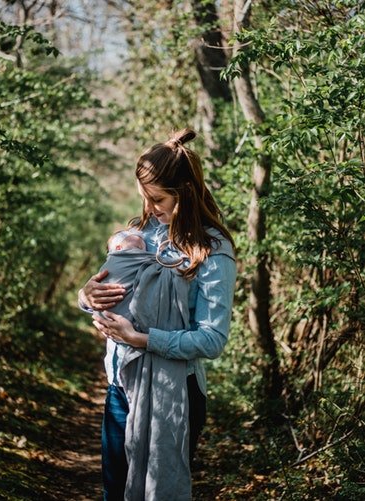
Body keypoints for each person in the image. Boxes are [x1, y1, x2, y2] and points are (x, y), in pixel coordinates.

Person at [78, 128, 237, 501]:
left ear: (185, 193)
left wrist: (141, 339)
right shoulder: (137, 234)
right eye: (144, 198)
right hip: (121, 385)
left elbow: (212, 338)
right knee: (114, 492)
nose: (149, 208)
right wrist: (85, 296)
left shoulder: (212, 250)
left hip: (175, 393)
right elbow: (103, 291)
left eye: (158, 199)